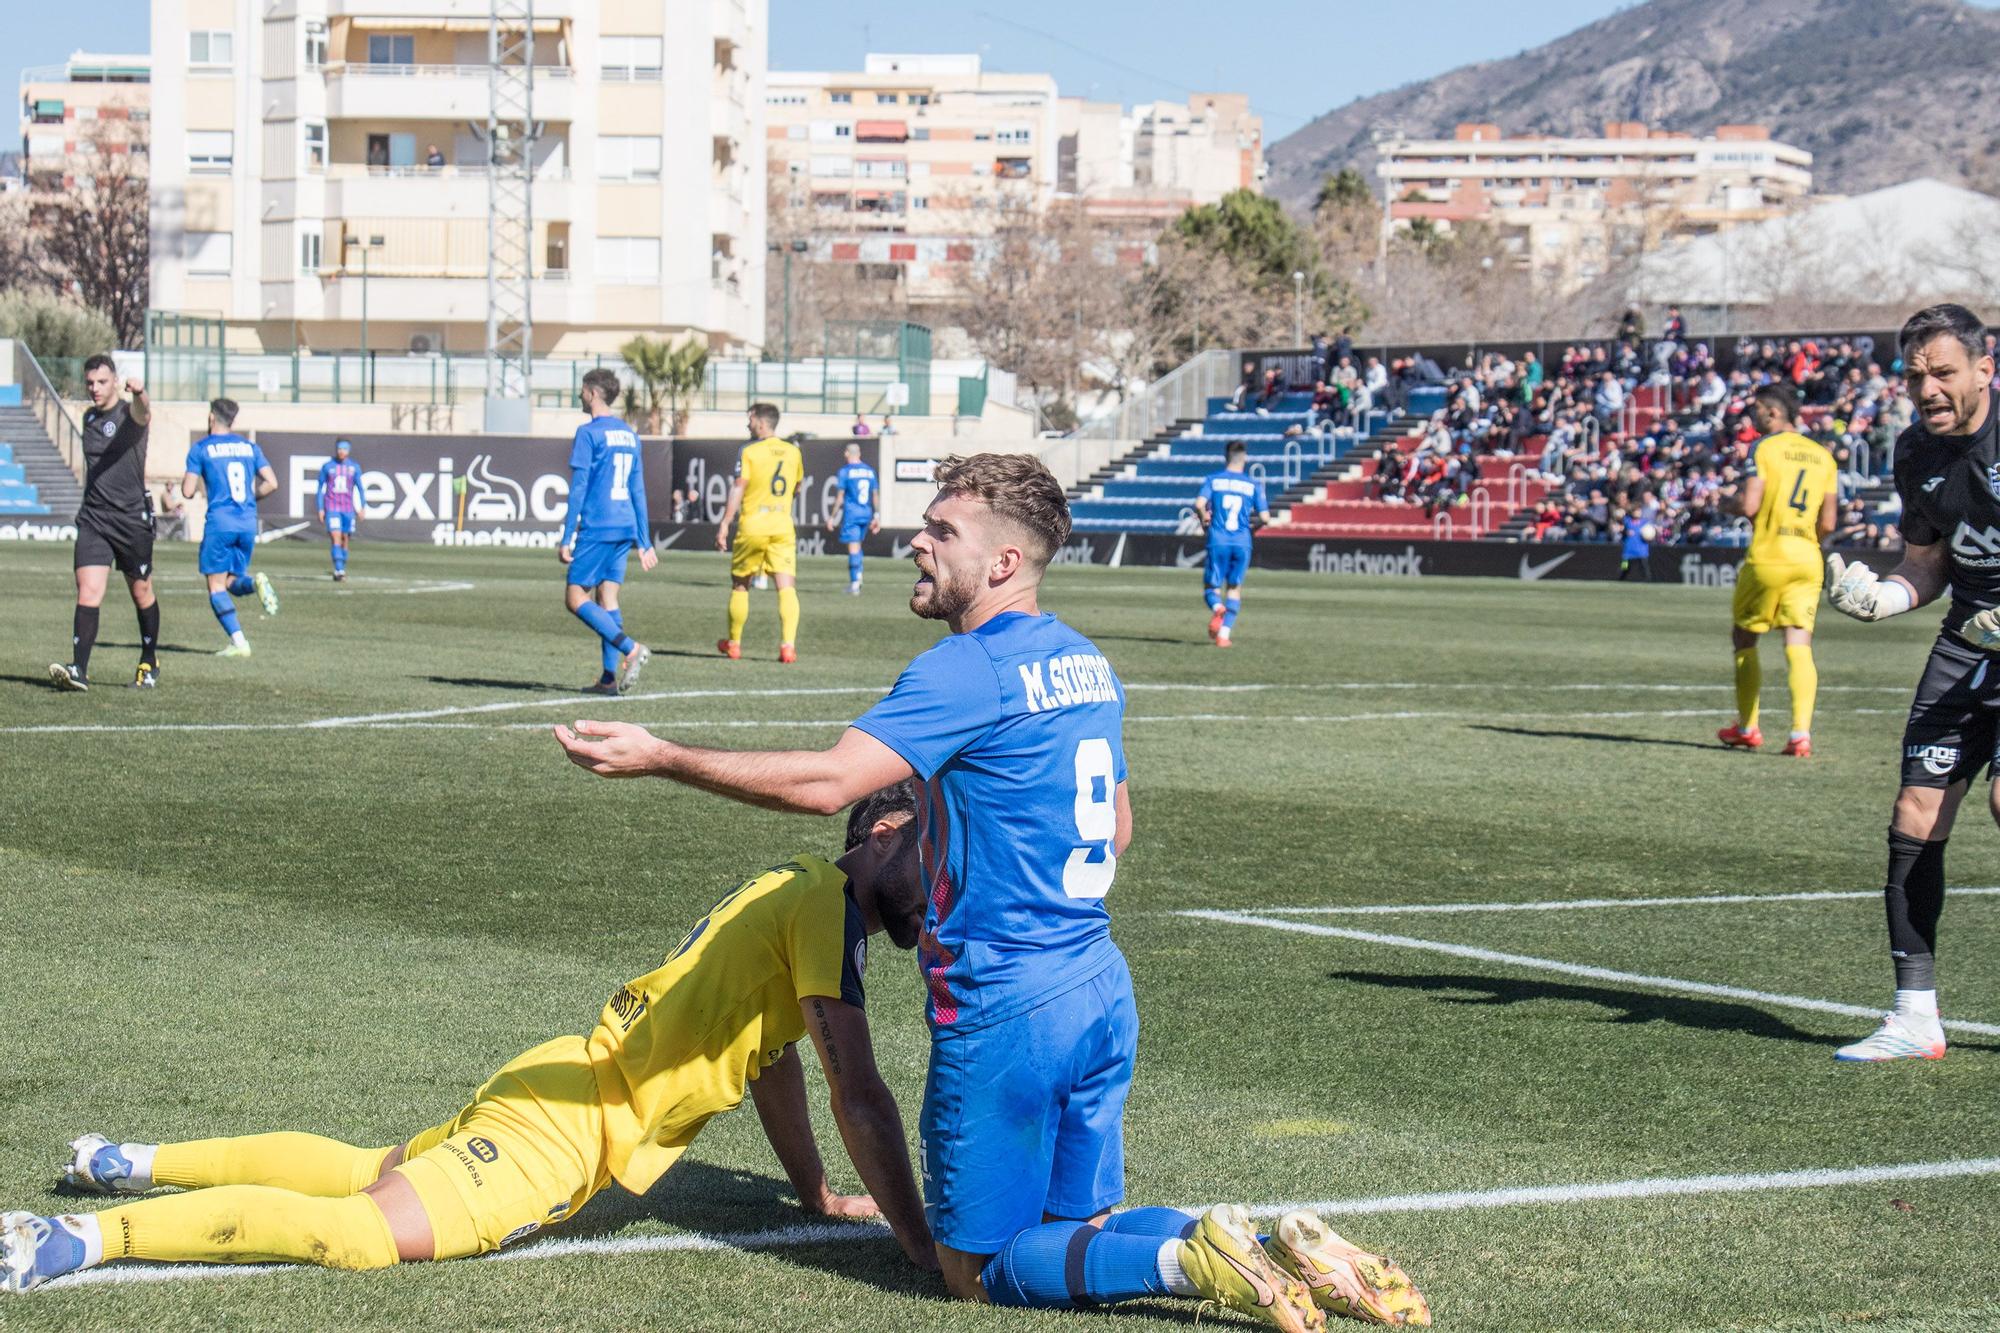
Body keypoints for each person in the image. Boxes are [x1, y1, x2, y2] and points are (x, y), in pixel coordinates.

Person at [553, 453, 1427, 1330]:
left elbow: (830, 782)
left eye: (942, 531)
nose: (917, 544)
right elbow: (1117, 828)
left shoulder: (966, 668)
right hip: (1098, 986)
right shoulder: (1087, 661)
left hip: (1010, 1008)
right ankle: (1273, 1246)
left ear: (1003, 562)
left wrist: (663, 756)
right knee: (1077, 1232)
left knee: (973, 1269)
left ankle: (1190, 1249)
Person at [0, 787, 937, 1292]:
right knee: (363, 1233)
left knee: (366, 1168)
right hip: (566, 1133)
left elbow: (771, 1065)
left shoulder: (799, 891)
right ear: (886, 829)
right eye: (940, 860)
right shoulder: (827, 903)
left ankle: (124, 1159)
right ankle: (78, 1237)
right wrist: (919, 1241)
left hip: (558, 1078)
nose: (945, 889)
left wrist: (815, 1190)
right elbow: (858, 1088)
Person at [1823, 303, 2000, 1062]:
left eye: (1943, 371)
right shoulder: (1912, 451)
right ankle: (1913, 1015)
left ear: (1985, 368)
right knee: (1916, 810)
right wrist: (1884, 597)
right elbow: (1928, 560)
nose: (1927, 387)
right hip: (1970, 639)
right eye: (1914, 374)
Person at [1716, 386, 1839, 756]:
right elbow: (1829, 523)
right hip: (1807, 557)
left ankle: (1748, 727)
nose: (1752, 417)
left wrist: (1725, 503)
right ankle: (1800, 734)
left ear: (1772, 414)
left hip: (1769, 555)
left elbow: (1750, 504)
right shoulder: (1823, 456)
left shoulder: (1765, 448)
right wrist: (1806, 539)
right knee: (1799, 644)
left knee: (1744, 639)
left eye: (1756, 410)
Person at [48, 356, 160, 692]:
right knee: (89, 590)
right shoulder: (89, 418)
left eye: (101, 382)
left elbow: (144, 412)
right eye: (90, 383)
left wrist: (140, 393)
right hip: (95, 517)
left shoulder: (129, 414)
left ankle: (149, 660)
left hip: (130, 519)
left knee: (141, 593)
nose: (95, 389)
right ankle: (78, 670)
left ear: (115, 381)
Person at [559, 368, 655, 696]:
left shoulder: (588, 433)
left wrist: (567, 534)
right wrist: (644, 539)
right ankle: (608, 679)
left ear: (592, 393)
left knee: (575, 598)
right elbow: (637, 489)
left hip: (598, 525)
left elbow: (579, 488)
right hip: (624, 524)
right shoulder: (630, 434)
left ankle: (630, 648)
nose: (579, 396)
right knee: (608, 597)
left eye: (582, 391)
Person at [181, 399, 280, 658]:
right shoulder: (249, 447)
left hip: (220, 522)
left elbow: (187, 491)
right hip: (247, 522)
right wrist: (249, 499)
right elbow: (272, 482)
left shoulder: (201, 448)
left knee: (215, 586)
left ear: (212, 416)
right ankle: (256, 582)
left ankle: (239, 642)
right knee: (231, 580)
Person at [715, 403, 803, 663]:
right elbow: (797, 488)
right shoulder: (793, 452)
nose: (748, 424)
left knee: (741, 585)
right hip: (782, 525)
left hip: (753, 524)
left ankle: (734, 643)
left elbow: (738, 488)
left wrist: (725, 522)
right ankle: (788, 646)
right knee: (786, 587)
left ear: (762, 423)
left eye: (750, 419)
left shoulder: (749, 450)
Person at [1193, 441, 1269, 648]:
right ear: (1244, 458)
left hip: (1218, 539)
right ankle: (1223, 635)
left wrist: (1204, 520)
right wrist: (1252, 530)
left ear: (1226, 456)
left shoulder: (1214, 480)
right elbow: (1265, 516)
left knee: (1212, 587)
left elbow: (1199, 504)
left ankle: (1218, 608)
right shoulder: (1253, 484)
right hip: (1243, 541)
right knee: (1234, 589)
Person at [827, 441, 880, 595]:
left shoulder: (845, 471)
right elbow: (875, 495)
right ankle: (859, 576)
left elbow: (840, 497)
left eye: (845, 452)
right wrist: (876, 516)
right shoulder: (869, 471)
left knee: (853, 548)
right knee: (858, 546)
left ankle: (855, 583)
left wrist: (832, 517)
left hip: (852, 513)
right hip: (867, 513)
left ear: (848, 454)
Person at [316, 439, 362, 581]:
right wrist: (320, 508)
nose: (341, 451)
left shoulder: (354, 467)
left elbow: (360, 488)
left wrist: (362, 507)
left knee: (345, 539)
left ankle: (342, 566)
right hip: (332, 507)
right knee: (335, 537)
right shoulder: (328, 466)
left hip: (348, 508)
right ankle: (339, 570)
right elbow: (320, 489)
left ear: (348, 450)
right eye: (339, 448)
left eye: (344, 449)